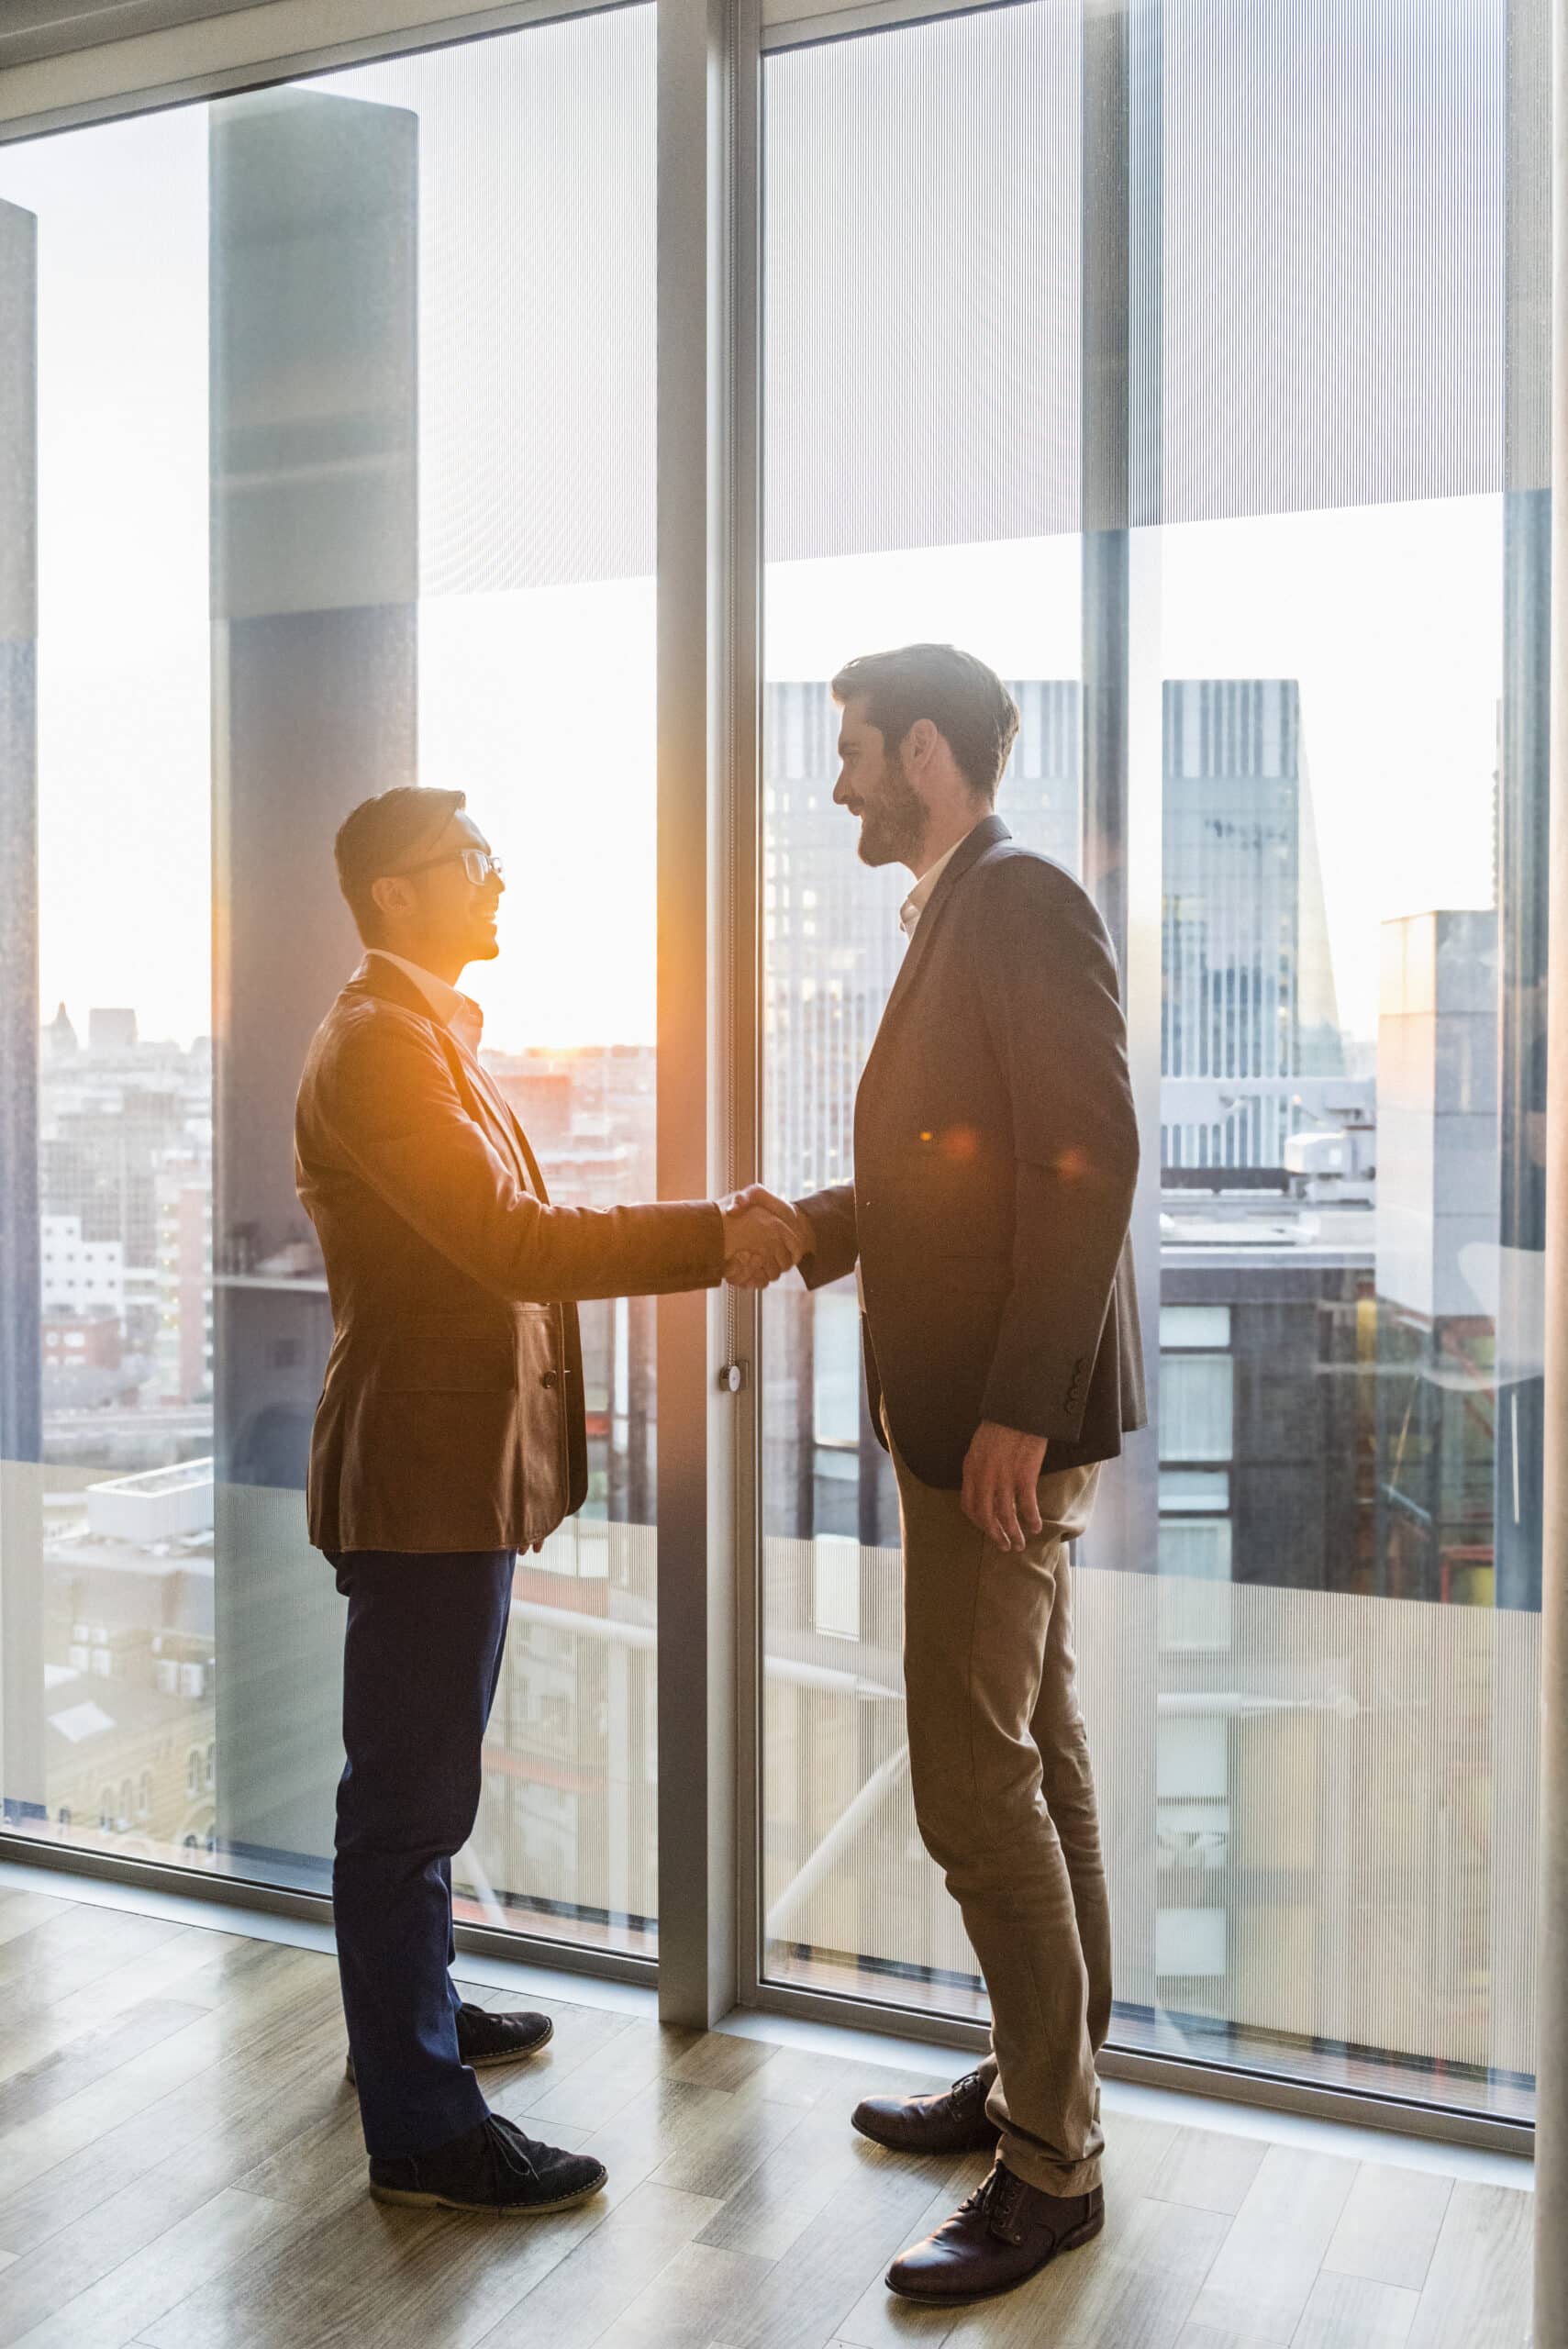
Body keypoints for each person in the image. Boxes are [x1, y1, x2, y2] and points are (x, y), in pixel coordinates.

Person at [295, 785, 800, 2217]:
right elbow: (509, 1241)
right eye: (472, 862)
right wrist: (719, 1238)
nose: (498, 881)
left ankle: (414, 2031)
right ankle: (422, 2131)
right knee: (404, 1805)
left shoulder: (427, 1039)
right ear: (394, 893)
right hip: (416, 1482)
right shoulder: (383, 1052)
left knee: (421, 1790)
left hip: (453, 1476)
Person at [785, 644, 1145, 2308]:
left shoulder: (1015, 897)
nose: (838, 783)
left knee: (967, 1785)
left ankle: (1050, 2168)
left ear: (924, 751)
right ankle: (1036, 2085)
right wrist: (813, 1226)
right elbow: (962, 1163)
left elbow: (1090, 1150)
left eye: (853, 753)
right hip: (989, 1421)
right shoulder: (960, 906)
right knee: (1038, 1756)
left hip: (998, 1436)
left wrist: (1015, 1404)